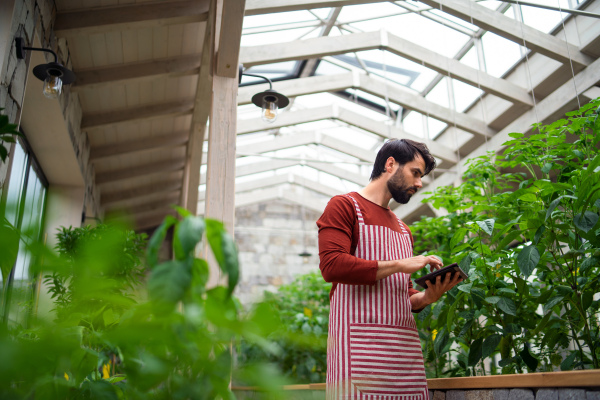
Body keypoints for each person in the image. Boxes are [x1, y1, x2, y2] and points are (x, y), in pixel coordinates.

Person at [317, 138, 462, 400]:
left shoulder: (404, 230)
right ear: (390, 164)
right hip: (359, 353)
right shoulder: (345, 206)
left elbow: (405, 296)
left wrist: (428, 297)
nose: (419, 183)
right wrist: (401, 264)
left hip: (403, 356)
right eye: (415, 173)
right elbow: (332, 265)